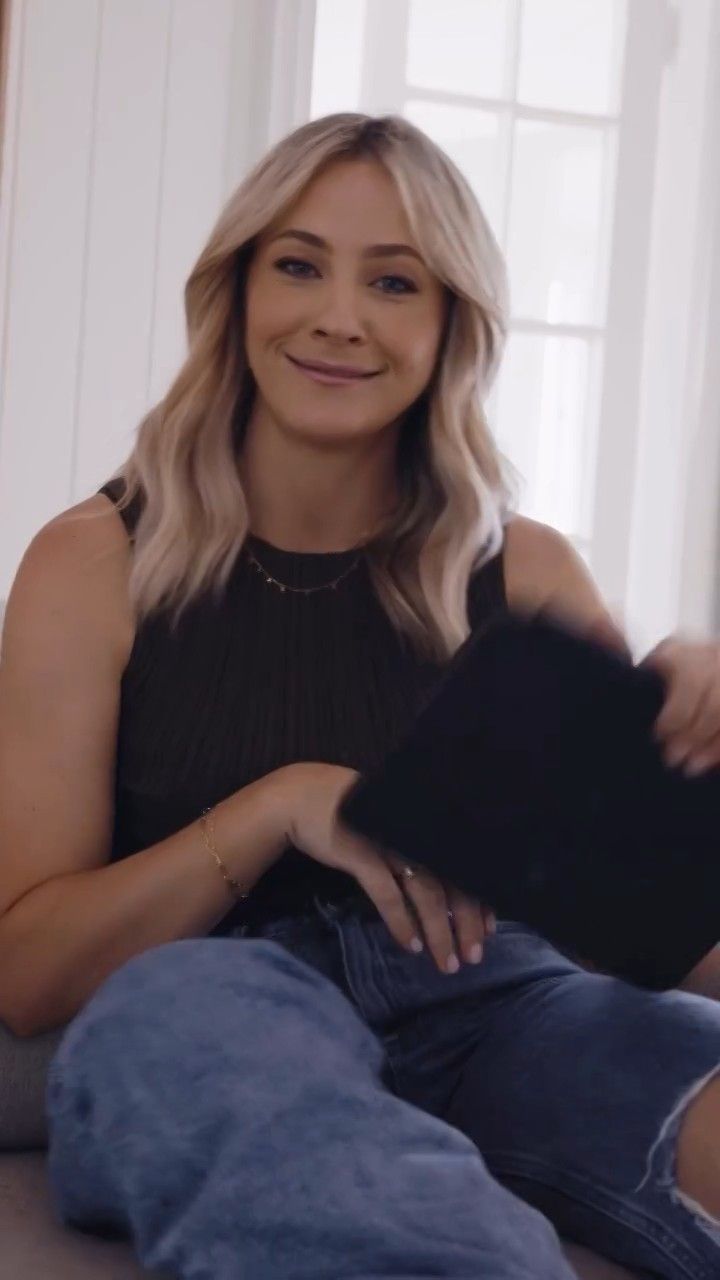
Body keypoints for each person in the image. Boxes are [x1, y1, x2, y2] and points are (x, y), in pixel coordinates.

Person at [1, 112, 720, 1280]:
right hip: (212, 997)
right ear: (238, 291)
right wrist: (280, 805)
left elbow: (665, 940)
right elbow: (29, 971)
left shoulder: (527, 570)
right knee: (267, 1106)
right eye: (299, 265)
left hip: (505, 996)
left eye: (393, 281)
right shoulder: (92, 562)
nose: (340, 316)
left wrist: (696, 768)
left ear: (449, 327)